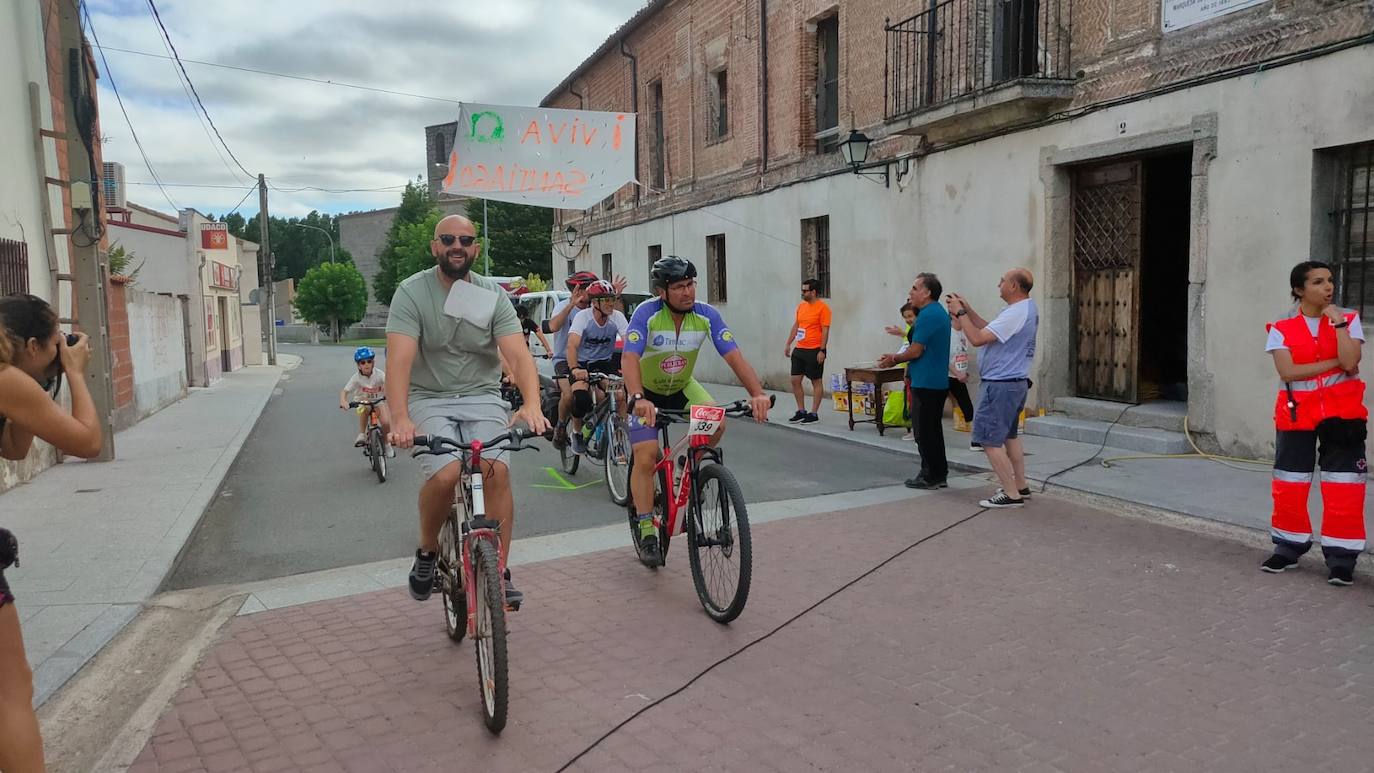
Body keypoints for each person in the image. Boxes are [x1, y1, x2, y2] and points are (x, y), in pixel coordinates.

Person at [385, 215, 549, 608]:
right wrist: (402, 416)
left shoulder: (492, 295)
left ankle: (500, 570)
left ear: (476, 249)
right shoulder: (412, 293)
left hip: (482, 396)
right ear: (435, 247)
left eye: (465, 240)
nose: (456, 245)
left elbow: (518, 355)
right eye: (448, 239)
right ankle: (427, 552)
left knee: (497, 470)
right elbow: (399, 362)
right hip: (429, 396)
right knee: (446, 474)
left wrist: (532, 404)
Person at [0, 293, 103, 773]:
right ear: (35, 344)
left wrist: (47, 379)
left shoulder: (15, 384)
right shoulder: (6, 381)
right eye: (54, 346)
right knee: (10, 692)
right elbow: (88, 442)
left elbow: (16, 449)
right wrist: (76, 375)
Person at [623, 256, 772, 561]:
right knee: (646, 454)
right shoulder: (646, 314)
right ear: (661, 291)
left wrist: (757, 394)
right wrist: (638, 398)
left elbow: (733, 356)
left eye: (691, 284)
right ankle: (646, 527)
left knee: (717, 422)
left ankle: (685, 467)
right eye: (679, 287)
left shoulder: (706, 315)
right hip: (646, 392)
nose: (688, 292)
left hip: (680, 387)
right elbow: (629, 358)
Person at [1261, 261, 1366, 586]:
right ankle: (1288, 547)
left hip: (1342, 417)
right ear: (1299, 289)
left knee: (1344, 486)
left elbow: (1352, 362)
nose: (1328, 287)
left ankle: (1341, 559)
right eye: (1318, 282)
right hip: (1297, 415)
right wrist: (1336, 363)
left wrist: (1337, 327)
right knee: (1290, 483)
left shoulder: (1348, 320)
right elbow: (1288, 372)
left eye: (1330, 281)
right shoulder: (1281, 328)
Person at [947, 268, 1039, 508]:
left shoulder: (1016, 312)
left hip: (1000, 384)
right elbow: (989, 329)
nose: (999, 284)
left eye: (1002, 281)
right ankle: (1019, 485)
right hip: (1013, 383)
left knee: (988, 440)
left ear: (1014, 287)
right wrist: (967, 309)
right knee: (1010, 436)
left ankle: (1011, 494)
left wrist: (959, 312)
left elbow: (977, 338)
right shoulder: (1022, 310)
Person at [879, 274, 951, 489]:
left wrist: (893, 359)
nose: (910, 292)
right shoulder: (935, 313)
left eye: (914, 288)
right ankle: (939, 473)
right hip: (932, 379)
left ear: (927, 292)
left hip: (927, 380)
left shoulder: (929, 315)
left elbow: (916, 350)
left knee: (924, 432)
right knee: (932, 431)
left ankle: (930, 474)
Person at [566, 280, 629, 454]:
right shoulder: (583, 317)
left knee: (619, 395)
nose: (610, 304)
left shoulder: (616, 317)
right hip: (582, 364)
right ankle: (577, 433)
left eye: (612, 299)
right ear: (594, 303)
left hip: (603, 364)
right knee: (580, 398)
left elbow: (630, 343)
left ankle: (619, 438)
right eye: (605, 300)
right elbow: (572, 345)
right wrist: (574, 370)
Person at [784, 278, 831, 424]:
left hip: (814, 349)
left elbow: (825, 331)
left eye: (805, 291)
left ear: (813, 292)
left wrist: (822, 350)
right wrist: (788, 343)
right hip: (800, 349)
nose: (803, 293)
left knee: (816, 381)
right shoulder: (801, 307)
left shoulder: (823, 309)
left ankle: (814, 413)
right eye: (802, 290)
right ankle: (801, 410)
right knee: (795, 380)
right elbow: (797, 326)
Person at [339, 345, 393, 456]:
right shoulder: (356, 378)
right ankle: (362, 434)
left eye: (369, 361)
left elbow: (389, 385)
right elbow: (344, 391)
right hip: (362, 401)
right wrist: (343, 401)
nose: (366, 364)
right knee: (365, 407)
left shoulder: (379, 375)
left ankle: (387, 444)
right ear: (358, 366)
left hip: (378, 401)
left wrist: (389, 394)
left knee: (386, 422)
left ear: (373, 362)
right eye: (362, 363)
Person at [948, 311, 981, 451]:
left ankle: (976, 440)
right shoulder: (948, 333)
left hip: (958, 376)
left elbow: (961, 354)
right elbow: (943, 356)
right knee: (934, 409)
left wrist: (963, 371)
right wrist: (956, 372)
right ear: (953, 316)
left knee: (967, 406)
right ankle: (922, 437)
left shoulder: (963, 333)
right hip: (946, 376)